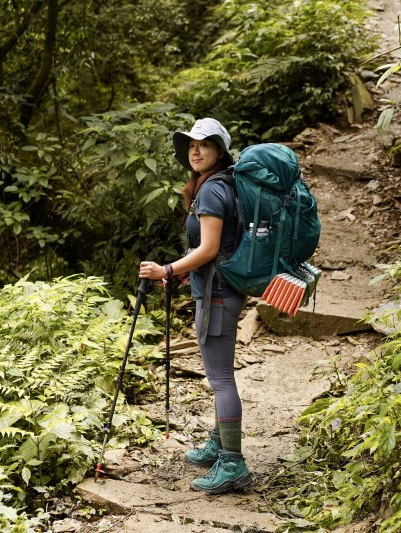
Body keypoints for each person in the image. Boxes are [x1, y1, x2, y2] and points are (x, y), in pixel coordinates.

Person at [139, 118, 251, 494]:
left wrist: (165, 270)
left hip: (218, 293)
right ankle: (220, 444)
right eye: (191, 145)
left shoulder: (212, 192)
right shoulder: (224, 184)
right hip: (221, 288)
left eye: (205, 144)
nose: (196, 151)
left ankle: (233, 463)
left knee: (220, 379)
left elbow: (209, 249)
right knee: (219, 375)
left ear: (220, 151)